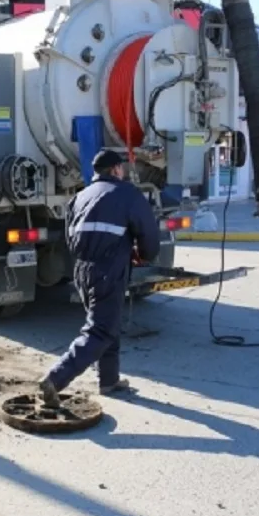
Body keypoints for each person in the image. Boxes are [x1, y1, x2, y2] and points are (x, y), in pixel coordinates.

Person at [39, 149, 160, 407]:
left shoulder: (79, 197)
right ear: (116, 169)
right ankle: (55, 378)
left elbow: (70, 238)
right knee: (101, 329)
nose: (124, 171)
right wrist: (145, 254)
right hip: (109, 269)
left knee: (107, 322)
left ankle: (109, 380)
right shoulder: (127, 193)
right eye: (122, 168)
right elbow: (148, 233)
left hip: (83, 269)